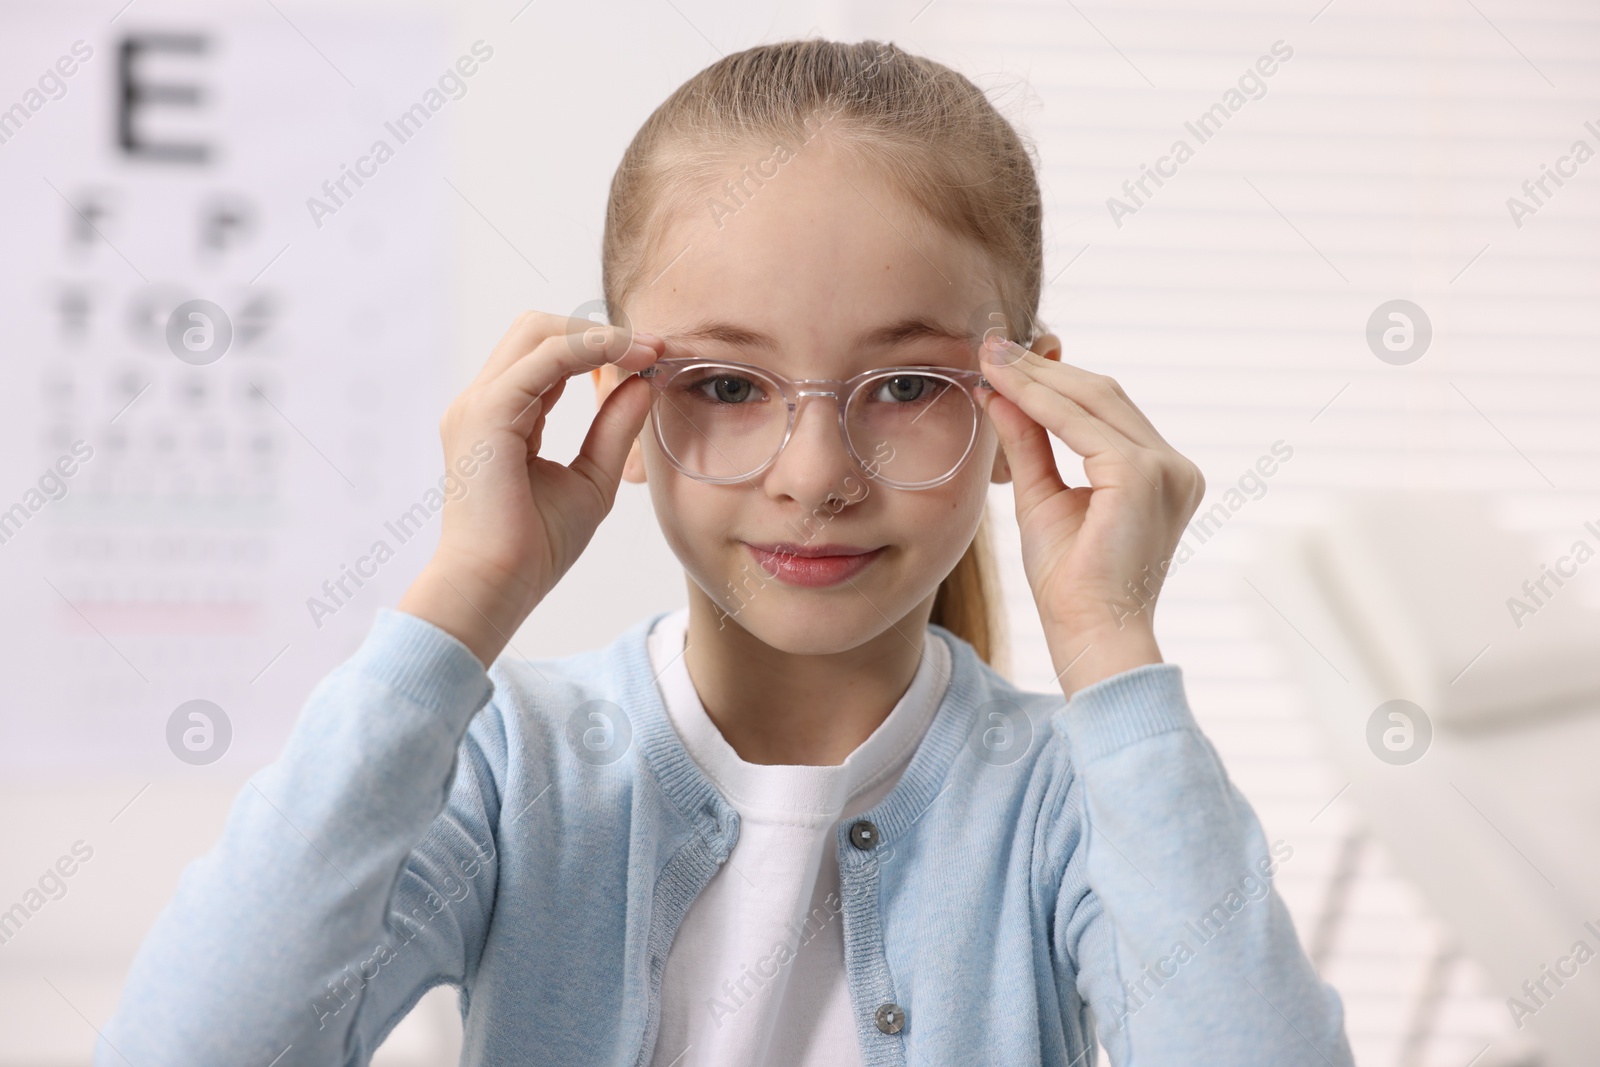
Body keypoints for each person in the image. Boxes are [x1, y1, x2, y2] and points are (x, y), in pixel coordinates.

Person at [100, 38, 1353, 1067]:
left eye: (908, 381)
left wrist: (1110, 644)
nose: (814, 471)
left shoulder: (1072, 796)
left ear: (1023, 406)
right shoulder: (509, 763)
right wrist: (460, 603)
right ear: (616, 400)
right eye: (727, 383)